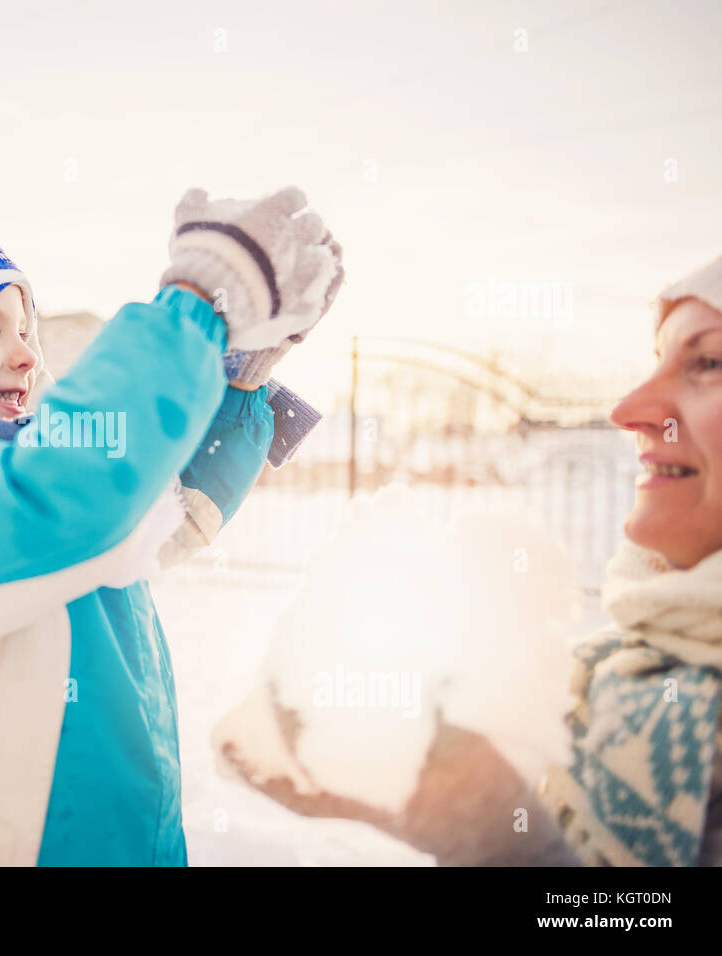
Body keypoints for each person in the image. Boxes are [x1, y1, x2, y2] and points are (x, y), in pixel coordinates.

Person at [0, 192, 344, 865]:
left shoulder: (20, 468)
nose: (26, 355)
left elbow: (155, 508)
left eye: (26, 329)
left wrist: (234, 373)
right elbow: (60, 499)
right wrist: (191, 309)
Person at [217, 253, 722, 866]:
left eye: (708, 362)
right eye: (657, 361)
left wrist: (494, 835)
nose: (628, 409)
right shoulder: (613, 676)